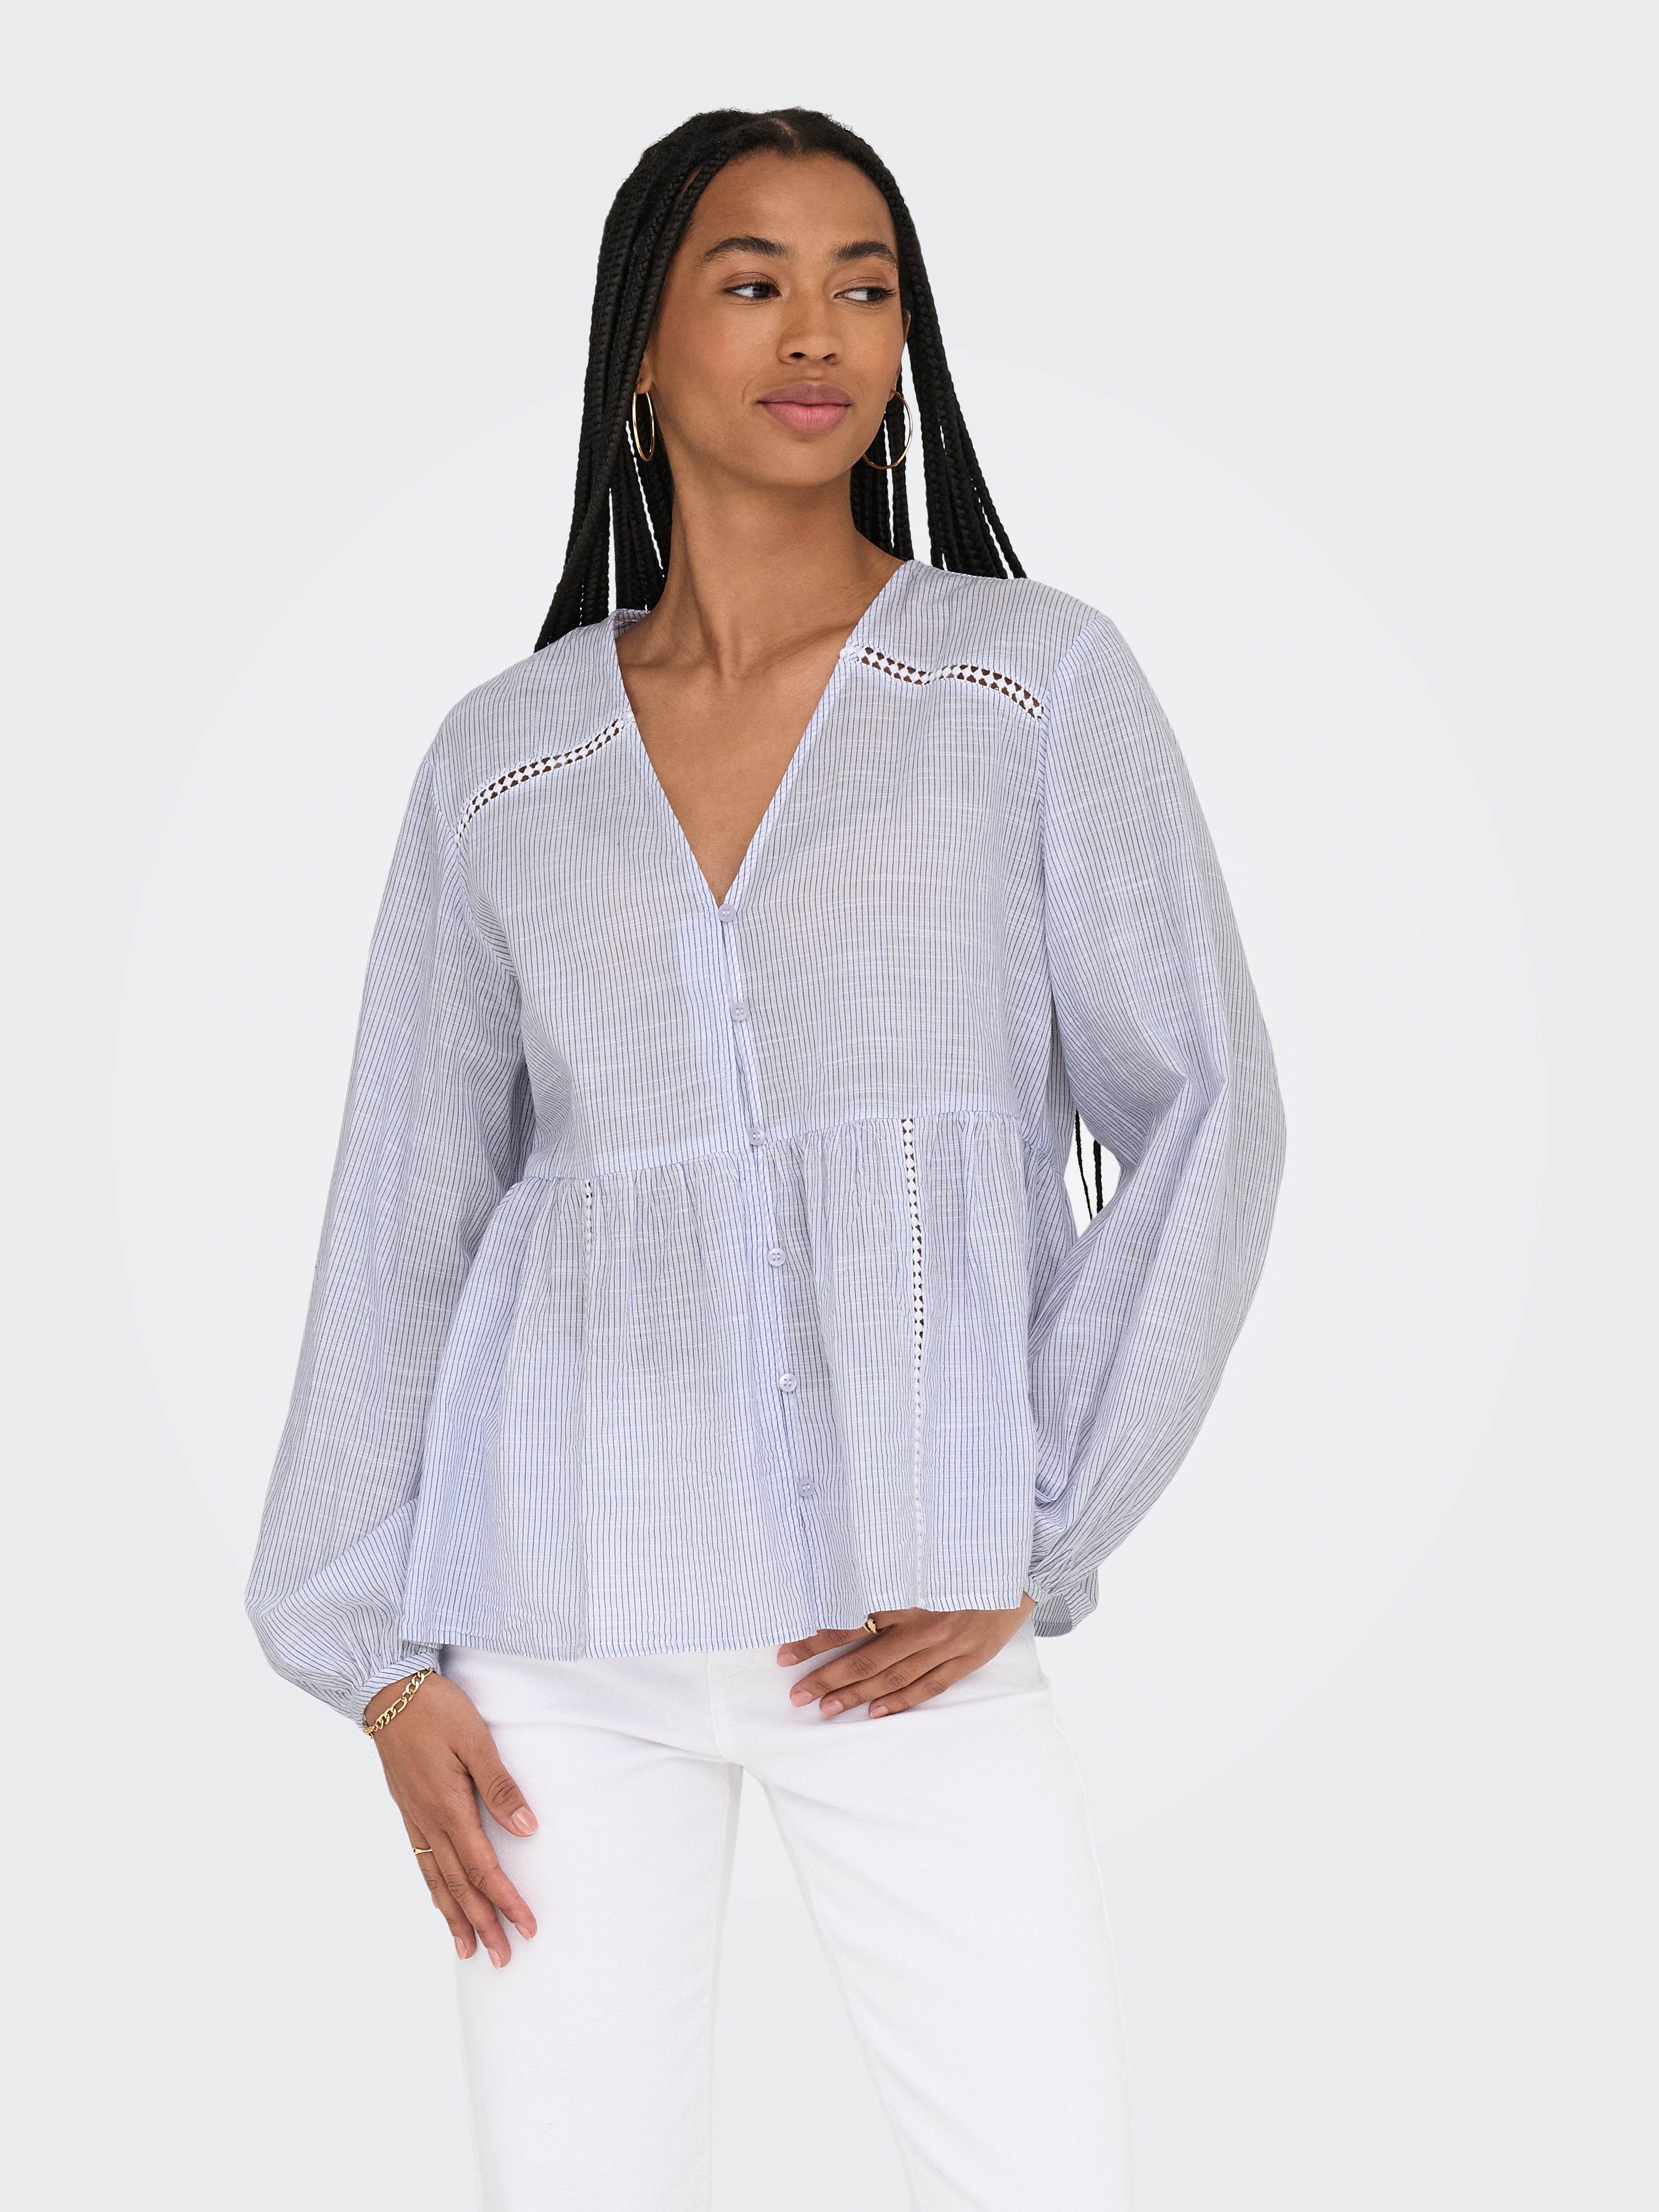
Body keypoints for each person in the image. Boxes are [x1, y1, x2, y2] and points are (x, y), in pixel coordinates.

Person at [246, 105, 1285, 2212]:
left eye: (863, 285)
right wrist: (376, 1660)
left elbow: (1208, 1107)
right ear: (642, 343)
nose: (817, 331)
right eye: (752, 280)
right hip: (555, 1633)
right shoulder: (502, 760)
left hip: (907, 1626)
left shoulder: (1026, 687)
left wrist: (1028, 1517)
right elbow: (405, 1215)